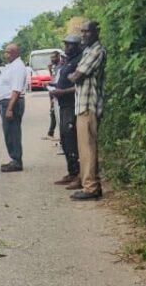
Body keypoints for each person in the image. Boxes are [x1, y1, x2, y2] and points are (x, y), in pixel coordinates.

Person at [68, 20, 107, 201]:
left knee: (88, 148)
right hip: (82, 105)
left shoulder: (97, 51)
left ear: (96, 32)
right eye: (82, 32)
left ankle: (90, 188)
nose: (84, 35)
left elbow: (77, 75)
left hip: (89, 105)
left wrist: (72, 74)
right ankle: (91, 185)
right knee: (84, 148)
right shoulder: (87, 51)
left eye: (87, 32)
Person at [52, 35, 84, 187]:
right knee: (64, 138)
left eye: (69, 45)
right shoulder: (68, 60)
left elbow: (80, 86)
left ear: (77, 46)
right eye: (65, 45)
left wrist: (62, 92)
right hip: (63, 105)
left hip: (72, 103)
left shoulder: (80, 60)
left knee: (72, 139)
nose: (66, 48)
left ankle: (78, 174)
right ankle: (71, 172)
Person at [0, 44, 30, 172]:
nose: (6, 55)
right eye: (5, 52)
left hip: (12, 103)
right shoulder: (12, 66)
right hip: (7, 102)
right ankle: (14, 159)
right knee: (9, 132)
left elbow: (16, 90)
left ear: (15, 53)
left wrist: (10, 108)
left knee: (12, 132)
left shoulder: (18, 67)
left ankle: (16, 161)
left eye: (9, 52)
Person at [45, 51, 62, 141]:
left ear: (58, 56)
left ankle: (52, 133)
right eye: (51, 58)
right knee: (53, 113)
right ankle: (50, 133)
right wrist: (50, 70)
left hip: (57, 94)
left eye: (53, 57)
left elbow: (56, 82)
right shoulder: (55, 67)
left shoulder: (60, 67)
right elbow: (53, 79)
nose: (52, 60)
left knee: (56, 115)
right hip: (52, 93)